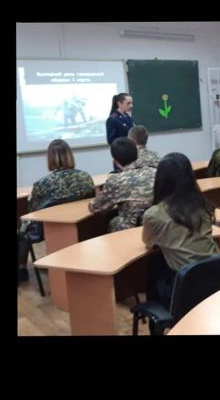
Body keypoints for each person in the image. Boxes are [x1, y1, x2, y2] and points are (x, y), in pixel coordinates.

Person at [142, 153, 220, 312]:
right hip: (217, 278)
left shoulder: (154, 214)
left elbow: (148, 242)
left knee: (154, 264)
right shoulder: (204, 205)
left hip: (187, 288)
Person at [17, 139, 96, 281]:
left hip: (47, 228)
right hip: (80, 224)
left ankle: (21, 268)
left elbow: (32, 210)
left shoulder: (42, 183)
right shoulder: (85, 177)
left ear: (50, 158)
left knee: (22, 228)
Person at [88, 137, 156, 232]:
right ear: (137, 155)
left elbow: (96, 208)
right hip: (157, 225)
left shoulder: (116, 180)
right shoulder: (155, 172)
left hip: (129, 230)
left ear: (115, 161)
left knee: (110, 221)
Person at [106, 92, 135, 172]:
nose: (131, 106)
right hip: (121, 156)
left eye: (131, 103)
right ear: (119, 104)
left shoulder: (128, 117)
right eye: (128, 103)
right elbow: (111, 140)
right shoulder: (112, 119)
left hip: (132, 154)